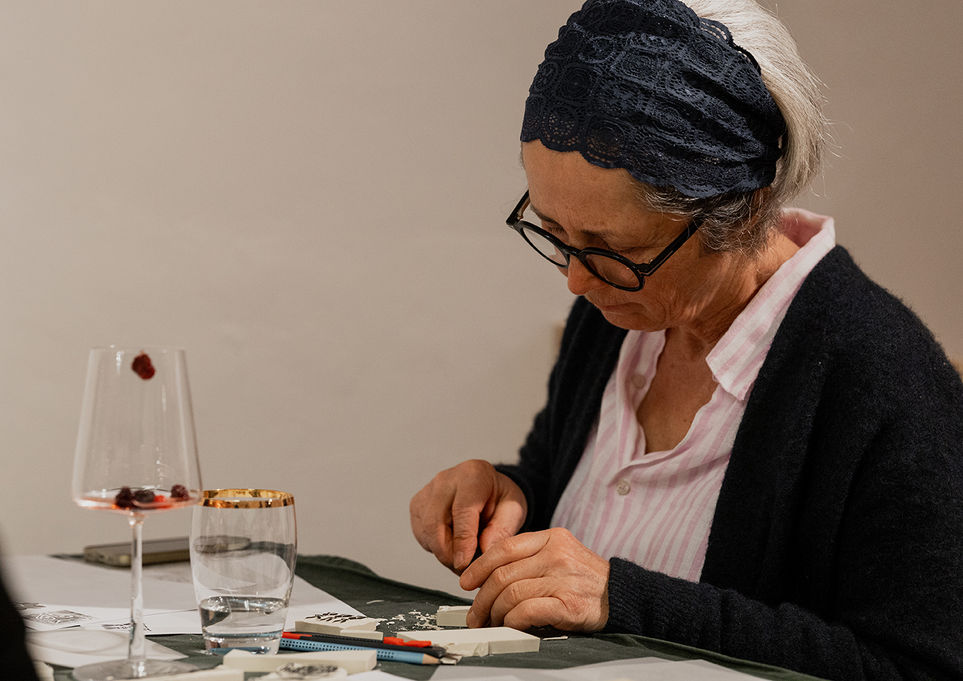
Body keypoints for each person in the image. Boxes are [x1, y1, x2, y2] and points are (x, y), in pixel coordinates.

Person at [409, 1, 963, 680]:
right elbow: (575, 499)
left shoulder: (883, 381)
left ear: (744, 210)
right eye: (553, 231)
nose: (577, 281)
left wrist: (627, 600)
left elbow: (919, 666)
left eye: (613, 248)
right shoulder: (621, 312)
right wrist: (507, 496)